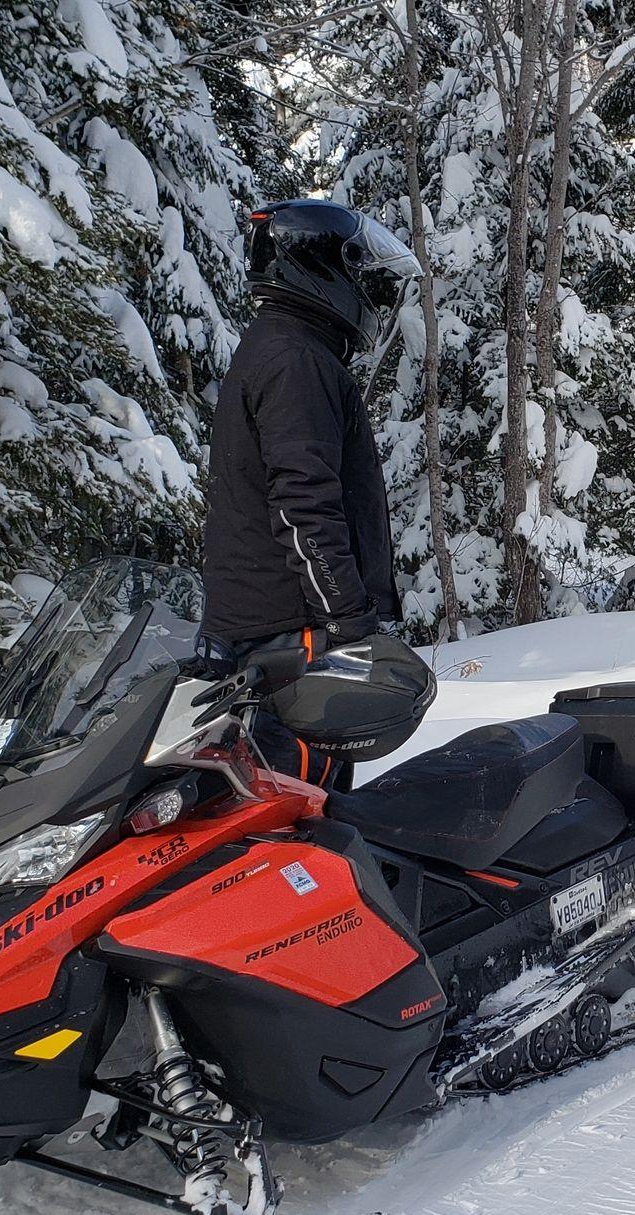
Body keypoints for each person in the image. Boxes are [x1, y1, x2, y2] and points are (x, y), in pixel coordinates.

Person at [200, 199, 423, 782]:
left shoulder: (281, 348)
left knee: (284, 810)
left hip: (275, 627)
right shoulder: (297, 359)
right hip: (294, 636)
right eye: (363, 279)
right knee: (304, 815)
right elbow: (304, 502)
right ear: (322, 270)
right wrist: (347, 621)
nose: (370, 297)